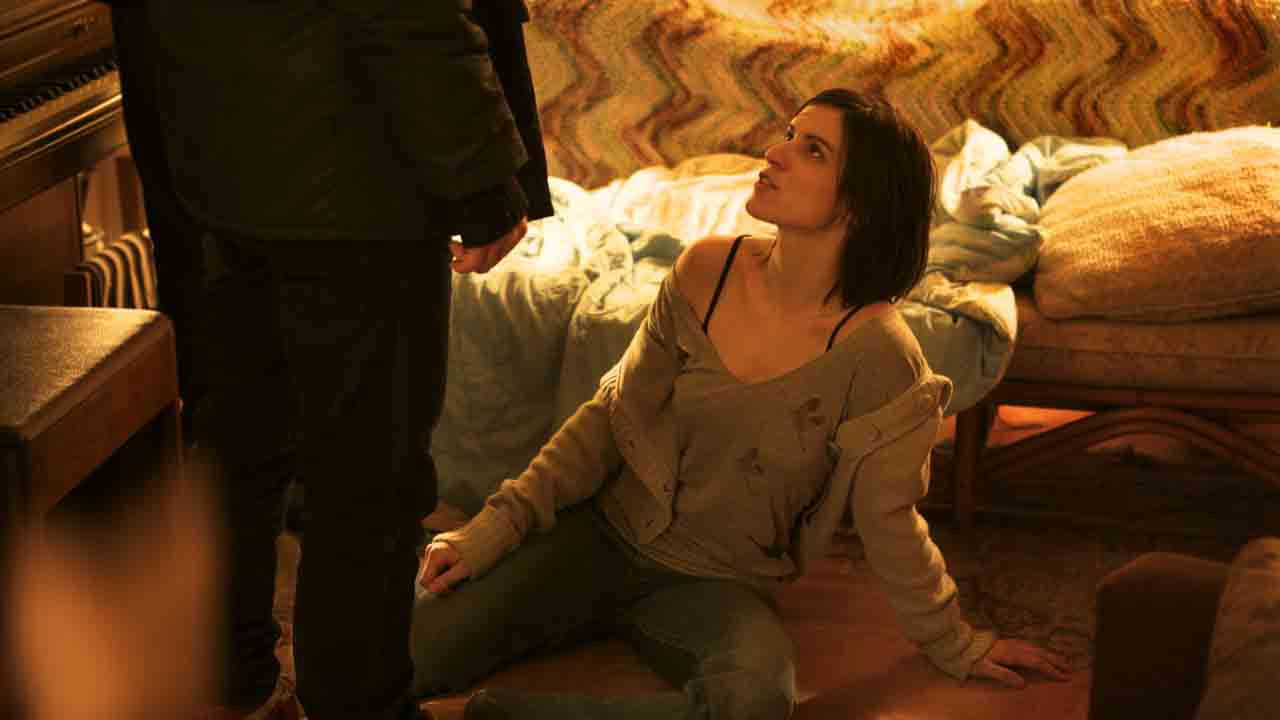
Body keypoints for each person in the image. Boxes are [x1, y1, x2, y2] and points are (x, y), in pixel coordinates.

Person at [410, 88, 1071, 719]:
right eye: (789, 135)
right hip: (599, 536)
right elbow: (609, 418)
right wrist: (494, 527)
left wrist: (954, 641)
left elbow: (890, 520)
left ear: (863, 201)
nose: (775, 153)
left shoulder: (884, 356)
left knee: (754, 703)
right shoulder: (706, 270)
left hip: (716, 584)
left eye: (813, 151)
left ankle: (500, 717)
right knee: (406, 651)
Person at [104, 1, 552, 719]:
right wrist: (484, 184)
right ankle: (359, 705)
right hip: (358, 184)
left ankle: (231, 683)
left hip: (218, 162)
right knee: (369, 477)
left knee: (239, 444)